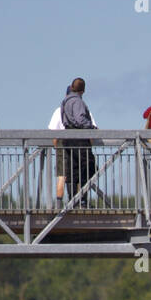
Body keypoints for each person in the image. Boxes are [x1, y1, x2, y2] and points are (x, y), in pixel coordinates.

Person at [50, 77, 97, 207]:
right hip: (79, 138)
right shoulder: (78, 102)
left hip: (67, 138)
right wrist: (91, 127)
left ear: (71, 87)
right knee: (89, 167)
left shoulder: (64, 102)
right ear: (83, 90)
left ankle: (73, 200)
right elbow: (80, 119)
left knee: (73, 170)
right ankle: (81, 200)